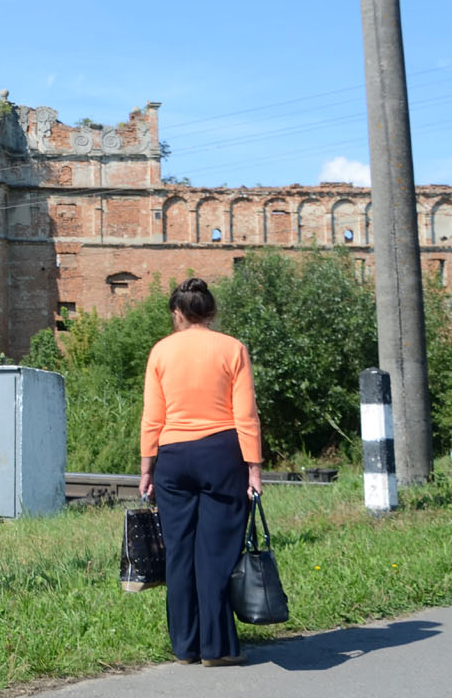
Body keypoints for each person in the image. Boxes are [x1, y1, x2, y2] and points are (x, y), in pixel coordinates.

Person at [138, 276, 263, 667]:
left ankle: (185, 647)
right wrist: (254, 469)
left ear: (177, 313)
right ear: (211, 311)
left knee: (179, 552)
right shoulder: (232, 348)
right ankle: (218, 647)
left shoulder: (160, 352)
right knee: (217, 552)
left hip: (172, 457)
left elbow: (152, 418)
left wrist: (147, 468)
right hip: (221, 455)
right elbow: (246, 415)